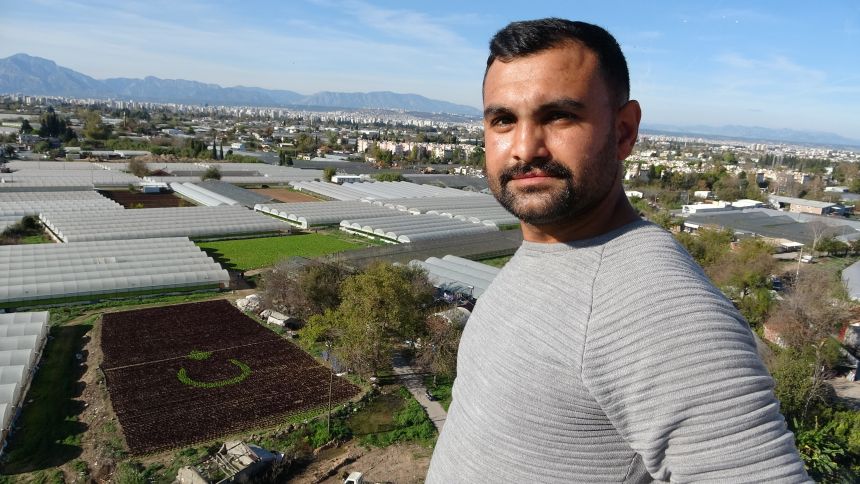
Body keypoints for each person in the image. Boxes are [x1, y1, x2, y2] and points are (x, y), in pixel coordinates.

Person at [426, 18, 810, 483]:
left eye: (559, 116)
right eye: (503, 120)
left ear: (624, 131)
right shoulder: (557, 249)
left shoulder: (659, 308)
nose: (525, 148)